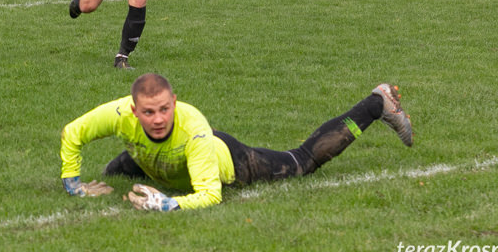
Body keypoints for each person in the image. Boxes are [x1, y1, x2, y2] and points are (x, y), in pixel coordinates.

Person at [60, 73, 413, 211]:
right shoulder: (119, 113)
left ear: (175, 102)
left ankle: (376, 103)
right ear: (134, 110)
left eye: (165, 110)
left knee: (301, 162)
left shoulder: (192, 129)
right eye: (149, 112)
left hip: (228, 159)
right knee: (114, 170)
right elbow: (71, 134)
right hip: (153, 158)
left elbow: (210, 196)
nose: (158, 118)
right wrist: (75, 187)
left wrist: (167, 205)